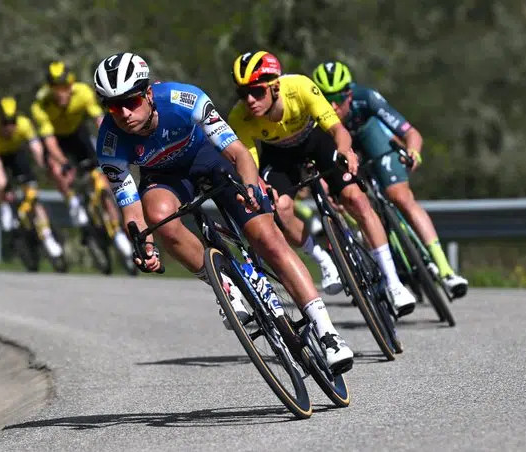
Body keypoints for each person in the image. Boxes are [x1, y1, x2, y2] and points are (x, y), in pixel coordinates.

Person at [93, 52, 353, 372]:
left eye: (130, 101)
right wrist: (142, 244)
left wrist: (252, 190)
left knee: (268, 238)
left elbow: (237, 153)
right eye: (112, 105)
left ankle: (327, 332)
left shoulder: (185, 99)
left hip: (209, 159)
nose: (123, 113)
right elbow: (130, 206)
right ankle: (222, 284)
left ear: (148, 94)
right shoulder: (108, 142)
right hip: (164, 178)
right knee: (157, 217)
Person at [227, 51, 417, 317]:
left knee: (356, 199)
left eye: (257, 92)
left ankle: (394, 283)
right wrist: (259, 188)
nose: (249, 100)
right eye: (243, 93)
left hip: (317, 142)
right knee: (280, 208)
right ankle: (323, 260)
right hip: (279, 156)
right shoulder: (240, 117)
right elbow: (250, 165)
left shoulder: (301, 87)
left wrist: (345, 152)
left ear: (275, 86)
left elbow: (338, 130)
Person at [311, 61, 469, 298]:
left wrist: (413, 151)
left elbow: (410, 133)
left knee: (400, 196)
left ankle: (445, 271)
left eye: (338, 98)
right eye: (326, 98)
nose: (333, 106)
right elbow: (313, 161)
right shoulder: (313, 112)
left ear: (349, 94)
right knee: (353, 204)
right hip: (344, 153)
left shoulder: (366, 98)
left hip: (373, 141)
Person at [31, 60, 133, 257]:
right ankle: (73, 202)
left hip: (78, 135)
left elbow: (100, 122)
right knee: (56, 168)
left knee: (101, 180)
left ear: (71, 84)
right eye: (55, 88)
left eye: (64, 87)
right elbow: (50, 142)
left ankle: (117, 230)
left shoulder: (83, 93)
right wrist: (63, 162)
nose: (60, 92)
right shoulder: (41, 105)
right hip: (56, 141)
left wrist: (113, 145)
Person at [0, 96, 63, 258]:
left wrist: (46, 167)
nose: (9, 127)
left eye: (12, 122)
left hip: (15, 152)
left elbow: (36, 148)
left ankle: (47, 235)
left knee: (33, 194)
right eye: (5, 123)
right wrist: (5, 187)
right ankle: (3, 207)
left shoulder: (24, 124)